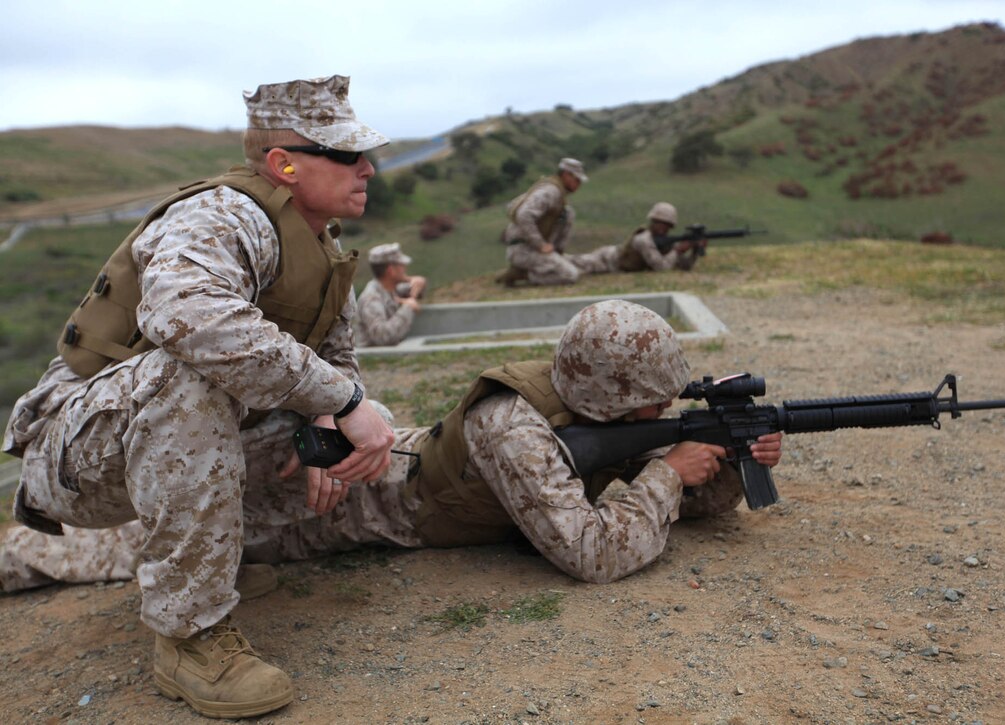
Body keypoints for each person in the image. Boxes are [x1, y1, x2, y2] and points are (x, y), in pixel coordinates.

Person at [0, 75, 397, 719]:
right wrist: (342, 400)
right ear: (284, 162)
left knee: (355, 429)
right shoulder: (225, 215)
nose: (368, 168)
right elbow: (189, 318)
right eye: (347, 155)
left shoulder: (321, 249)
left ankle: (217, 566)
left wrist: (333, 414)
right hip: (73, 454)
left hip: (152, 438)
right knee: (189, 372)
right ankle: (189, 635)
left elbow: (338, 362)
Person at [3, 300, 783, 595]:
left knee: (206, 503)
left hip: (392, 460)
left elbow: (669, 484)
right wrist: (664, 480)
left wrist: (716, 468)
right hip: (351, 509)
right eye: (651, 401)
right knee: (160, 538)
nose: (661, 410)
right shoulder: (514, 426)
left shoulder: (585, 402)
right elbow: (591, 552)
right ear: (610, 394)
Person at [494, 157, 587, 287]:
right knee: (570, 275)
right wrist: (540, 244)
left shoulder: (559, 195)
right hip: (523, 249)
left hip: (532, 249)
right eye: (576, 179)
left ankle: (529, 269)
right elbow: (524, 215)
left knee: (569, 214)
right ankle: (523, 274)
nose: (578, 184)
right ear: (566, 175)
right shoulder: (550, 191)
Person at [571, 202, 702, 275]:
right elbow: (662, 268)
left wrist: (694, 250)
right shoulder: (644, 240)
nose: (663, 228)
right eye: (660, 223)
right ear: (653, 221)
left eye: (667, 225)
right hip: (605, 261)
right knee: (572, 264)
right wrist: (678, 251)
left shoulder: (664, 241)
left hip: (611, 262)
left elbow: (684, 266)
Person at [354, 242, 428, 347]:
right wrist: (407, 307)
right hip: (376, 359)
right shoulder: (371, 298)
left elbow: (416, 291)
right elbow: (382, 337)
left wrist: (420, 282)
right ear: (391, 270)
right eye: (401, 265)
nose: (405, 268)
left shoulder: (391, 288)